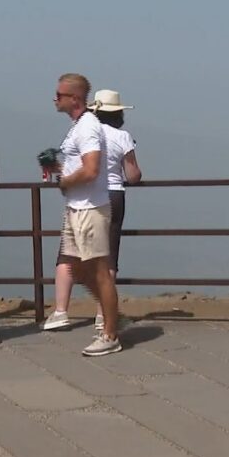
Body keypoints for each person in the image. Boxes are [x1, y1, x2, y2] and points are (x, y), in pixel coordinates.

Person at [45, 89, 142, 331]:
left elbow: (66, 165)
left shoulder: (81, 131)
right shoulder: (122, 136)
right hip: (113, 195)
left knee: (68, 254)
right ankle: (103, 315)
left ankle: (60, 311)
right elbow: (133, 174)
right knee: (107, 257)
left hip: (82, 196)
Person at [42, 73, 122, 356]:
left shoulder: (87, 127)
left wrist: (65, 181)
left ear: (74, 98)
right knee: (79, 269)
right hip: (78, 207)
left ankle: (110, 332)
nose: (55, 99)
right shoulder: (79, 126)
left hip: (90, 208)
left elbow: (91, 169)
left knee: (99, 271)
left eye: (59, 95)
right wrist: (58, 169)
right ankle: (109, 315)